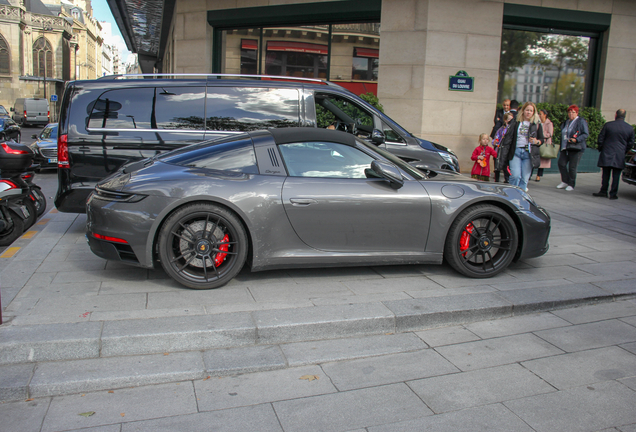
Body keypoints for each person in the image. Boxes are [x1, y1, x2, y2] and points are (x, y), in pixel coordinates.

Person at [498, 101, 544, 191]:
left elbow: (541, 140)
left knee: (524, 179)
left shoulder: (536, 124)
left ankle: (521, 197)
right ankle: (511, 194)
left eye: (531, 111)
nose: (528, 112)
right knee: (515, 176)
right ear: (523, 111)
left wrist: (536, 141)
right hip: (516, 152)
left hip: (528, 153)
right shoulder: (516, 122)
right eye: (527, 110)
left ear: (533, 112)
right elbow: (508, 136)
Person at [592, 109, 635, 200]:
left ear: (616, 115)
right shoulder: (629, 128)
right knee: (616, 175)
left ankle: (603, 191)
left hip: (607, 152)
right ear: (624, 116)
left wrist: (601, 148)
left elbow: (601, 138)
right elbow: (631, 143)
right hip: (619, 154)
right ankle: (613, 193)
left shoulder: (608, 125)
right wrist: (624, 151)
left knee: (605, 174)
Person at [491, 112, 513, 182]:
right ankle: (496, 179)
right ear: (505, 120)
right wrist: (494, 142)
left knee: (505, 166)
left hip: (507, 150)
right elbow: (497, 137)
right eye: (509, 119)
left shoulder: (512, 129)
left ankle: (507, 179)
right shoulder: (501, 129)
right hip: (499, 149)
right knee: (497, 165)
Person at [534, 109, 553, 182]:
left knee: (542, 161)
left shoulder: (549, 123)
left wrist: (542, 135)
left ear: (545, 115)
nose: (539, 115)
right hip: (537, 142)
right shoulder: (537, 122)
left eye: (541, 114)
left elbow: (550, 134)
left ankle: (538, 175)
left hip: (544, 143)